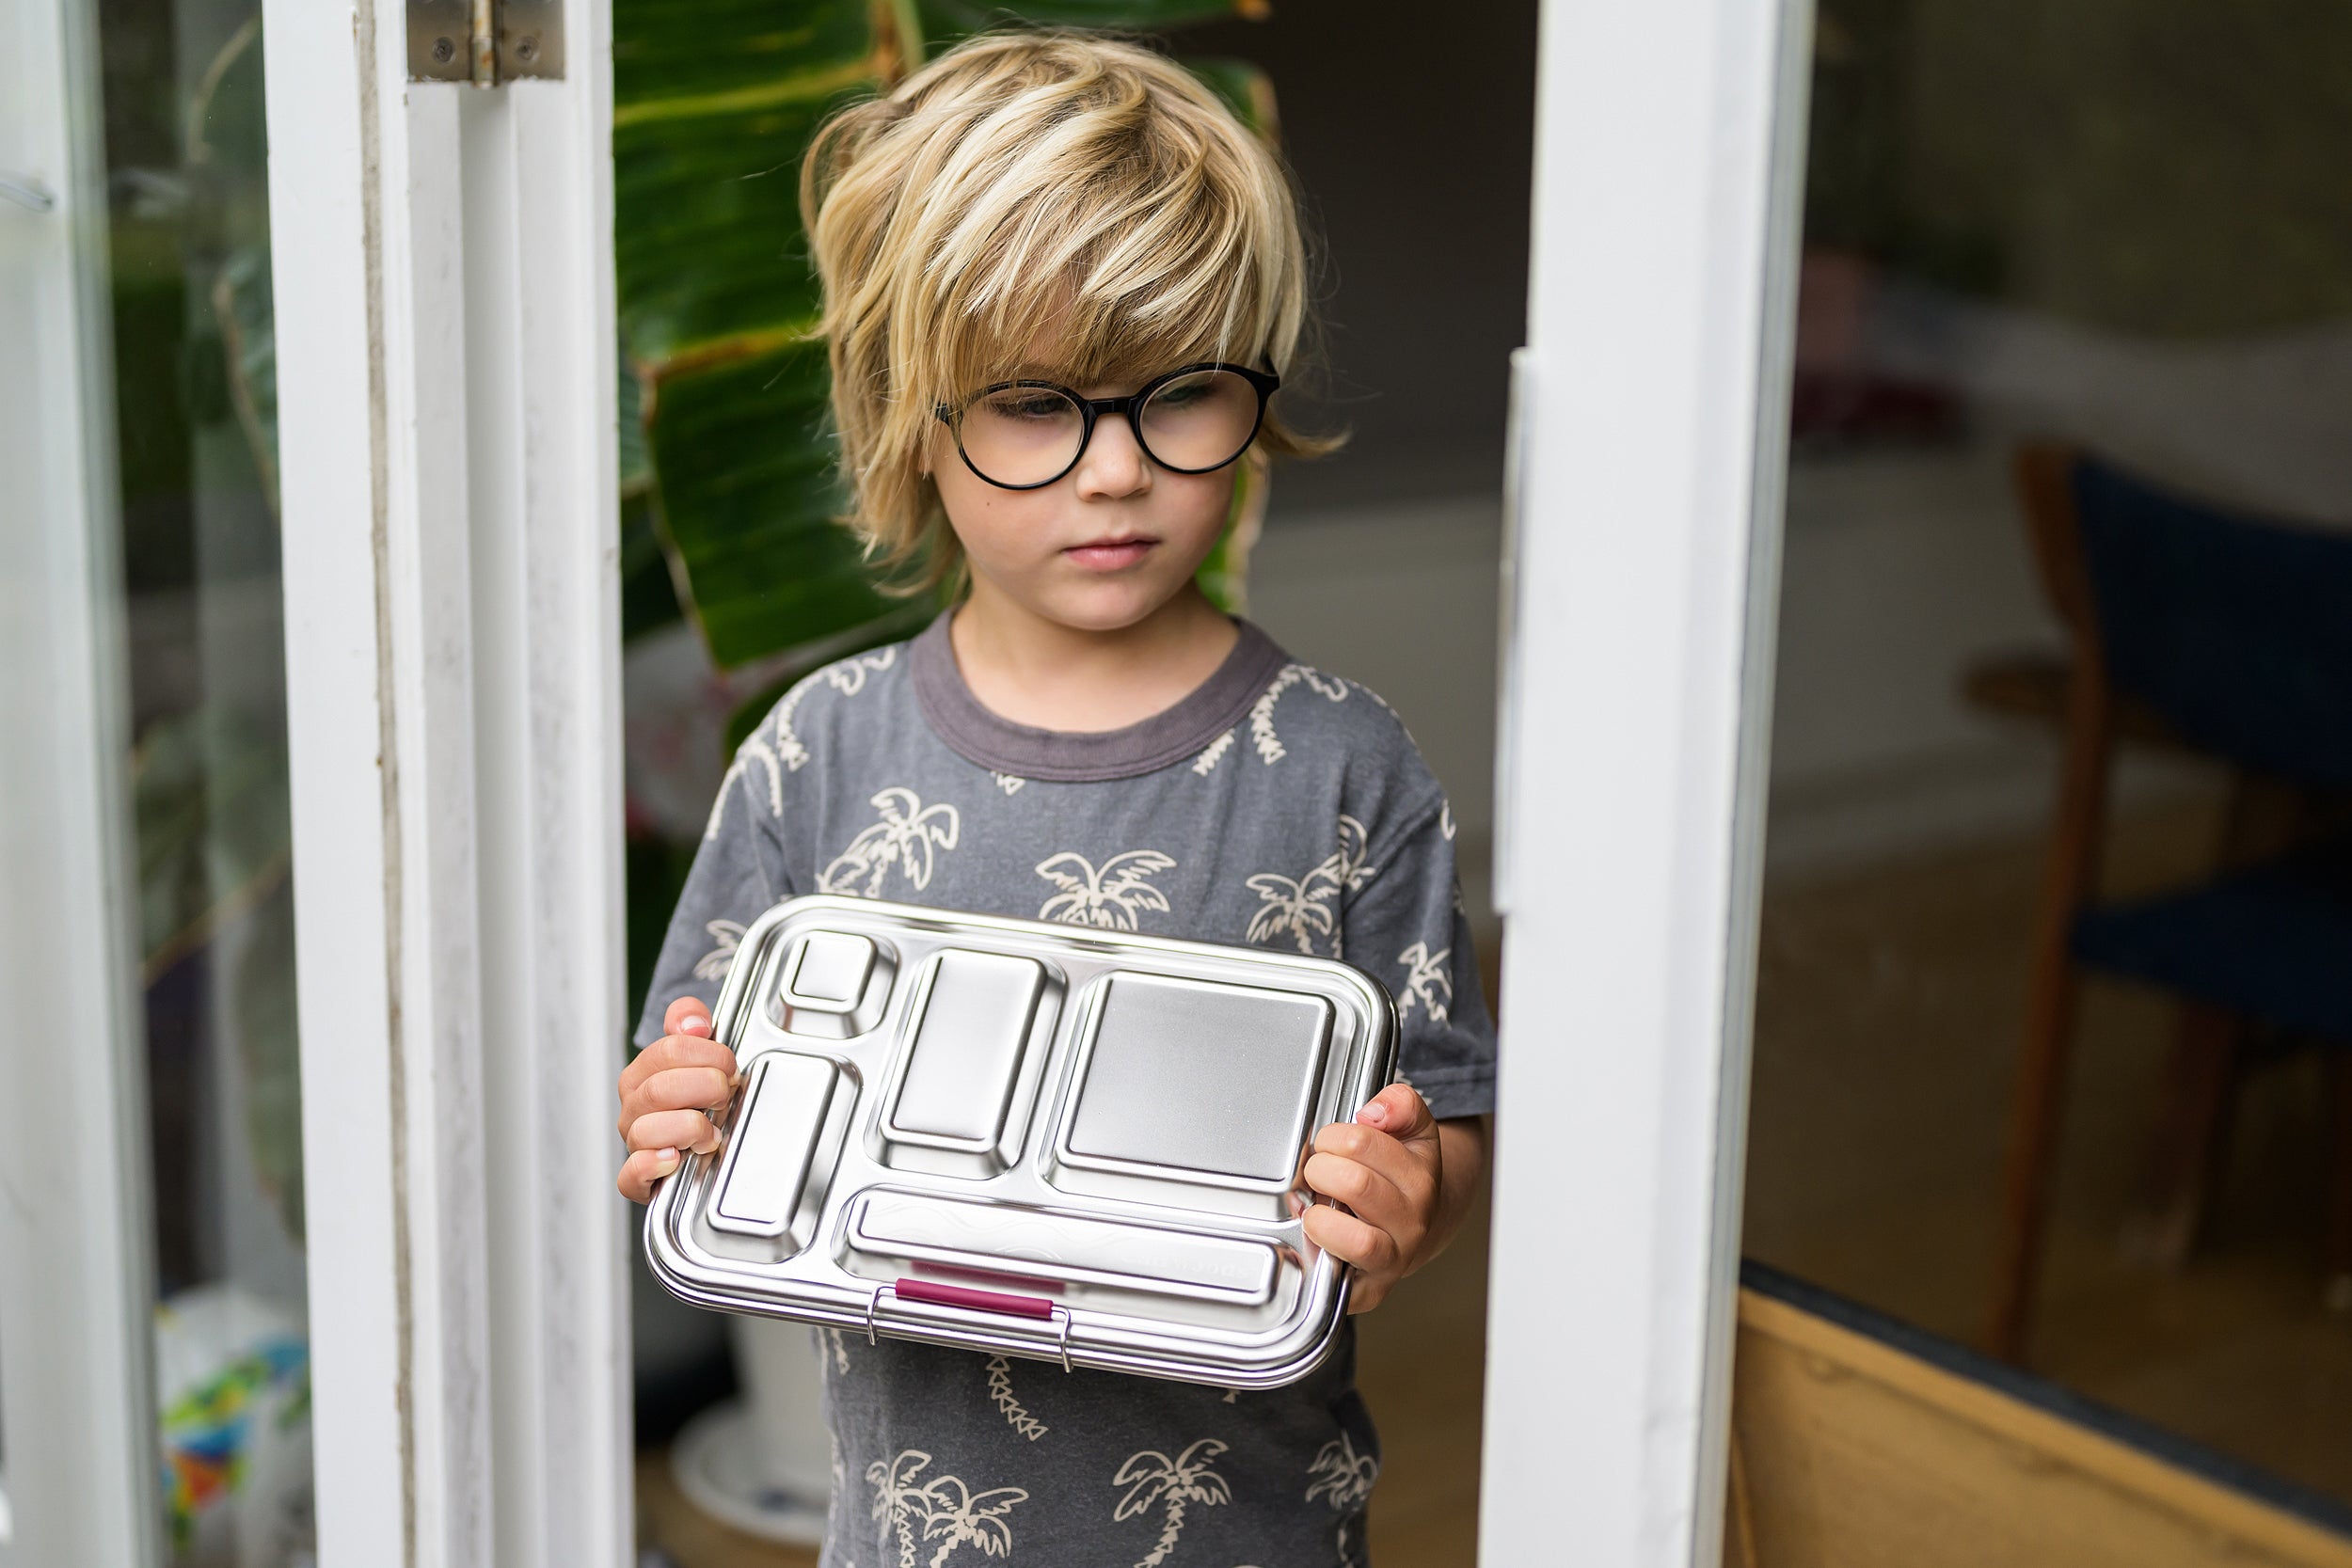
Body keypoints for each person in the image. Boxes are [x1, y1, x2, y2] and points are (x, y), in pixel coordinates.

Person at [614, 30, 1495, 1567]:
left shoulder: (1351, 771)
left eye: (1183, 395)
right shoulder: (817, 756)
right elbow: (688, 1086)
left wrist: (1411, 1196)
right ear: (914, 413)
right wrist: (671, 1108)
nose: (1115, 471)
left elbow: (1447, 1116)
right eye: (1035, 404)